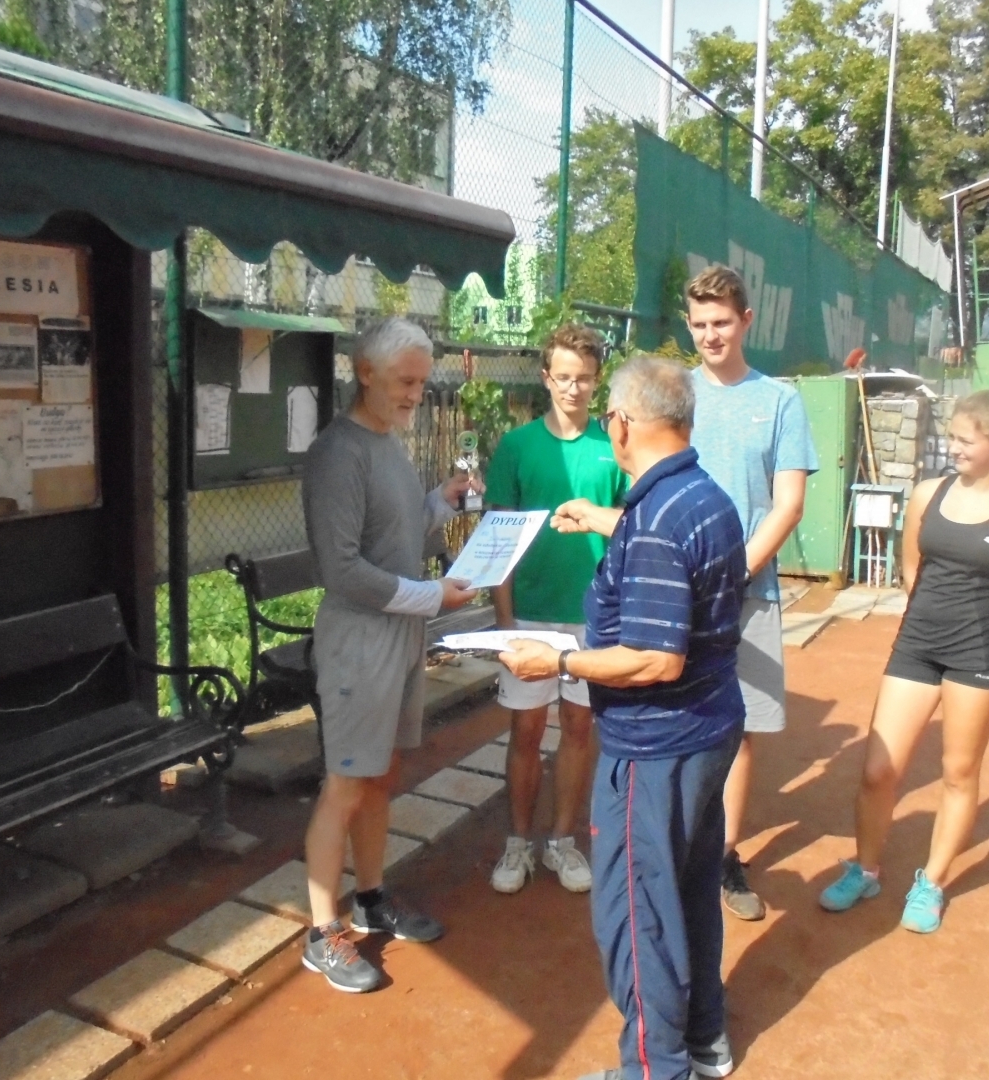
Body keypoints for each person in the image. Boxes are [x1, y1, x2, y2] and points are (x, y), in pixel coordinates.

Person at [501, 356, 748, 1080]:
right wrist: (606, 517)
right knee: (692, 888)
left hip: (655, 745)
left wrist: (561, 664)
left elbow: (652, 659)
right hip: (706, 731)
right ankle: (704, 1036)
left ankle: (652, 1066)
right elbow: (666, 548)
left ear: (622, 425)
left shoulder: (656, 523)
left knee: (637, 912)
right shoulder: (700, 497)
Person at [818, 390, 989, 933]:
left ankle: (931, 882)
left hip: (980, 655)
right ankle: (866, 868)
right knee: (879, 770)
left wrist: (987, 648)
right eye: (950, 437)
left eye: (964, 440)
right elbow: (913, 570)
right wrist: (928, 623)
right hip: (917, 645)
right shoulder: (929, 493)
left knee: (957, 771)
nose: (952, 448)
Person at [299, 317, 479, 993]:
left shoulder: (389, 447)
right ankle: (322, 932)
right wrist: (432, 595)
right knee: (345, 784)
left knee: (378, 776)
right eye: (405, 381)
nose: (415, 394)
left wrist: (441, 501)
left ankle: (371, 898)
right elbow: (342, 569)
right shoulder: (336, 455)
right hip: (358, 644)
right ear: (364, 372)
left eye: (421, 382)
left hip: (400, 638)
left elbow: (395, 529)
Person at [683, 264, 818, 921]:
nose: (711, 335)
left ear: (746, 322)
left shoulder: (781, 401)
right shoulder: (673, 395)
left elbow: (788, 504)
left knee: (740, 729)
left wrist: (732, 572)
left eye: (722, 323)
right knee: (674, 721)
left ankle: (724, 855)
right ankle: (675, 846)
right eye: (701, 324)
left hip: (747, 591)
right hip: (676, 593)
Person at [483, 323, 628, 895]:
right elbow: (497, 539)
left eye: (585, 379)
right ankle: (517, 841)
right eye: (564, 377)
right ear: (546, 378)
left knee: (577, 727)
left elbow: (626, 531)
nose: (574, 389)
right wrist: (504, 621)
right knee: (525, 729)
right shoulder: (517, 447)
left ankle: (562, 843)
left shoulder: (613, 448)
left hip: (593, 618)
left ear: (598, 382)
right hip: (529, 616)